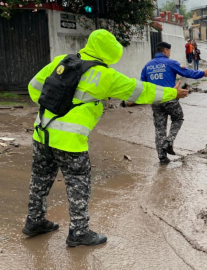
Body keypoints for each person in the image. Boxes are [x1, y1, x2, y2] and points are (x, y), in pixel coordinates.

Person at [22, 30, 189, 247]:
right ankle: (79, 232)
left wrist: (54, 107)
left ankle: (34, 221)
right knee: (77, 183)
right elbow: (140, 91)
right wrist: (172, 93)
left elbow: (33, 88)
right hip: (70, 140)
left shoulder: (60, 61)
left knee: (40, 178)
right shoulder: (106, 76)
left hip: (42, 131)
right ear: (111, 53)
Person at [141, 42, 207, 165]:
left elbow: (143, 85)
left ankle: (162, 158)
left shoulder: (147, 66)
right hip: (170, 98)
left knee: (159, 129)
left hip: (156, 100)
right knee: (178, 118)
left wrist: (147, 100)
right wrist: (203, 73)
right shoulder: (170, 63)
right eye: (169, 51)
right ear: (165, 51)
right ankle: (169, 141)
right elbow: (187, 73)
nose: (169, 54)